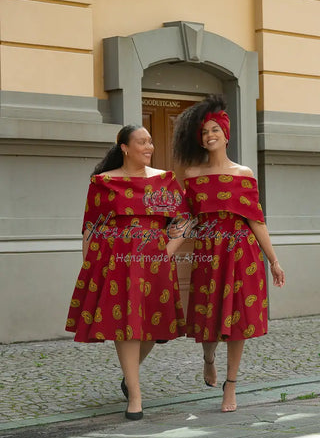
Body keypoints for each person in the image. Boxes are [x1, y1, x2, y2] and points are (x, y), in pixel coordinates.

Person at [66, 124, 188, 420]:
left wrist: (166, 252)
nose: (149, 147)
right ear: (124, 147)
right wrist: (88, 267)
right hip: (116, 261)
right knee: (127, 326)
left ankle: (128, 376)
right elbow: (90, 227)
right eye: (142, 142)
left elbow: (184, 220)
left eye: (150, 142)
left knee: (154, 330)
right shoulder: (103, 182)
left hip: (155, 261)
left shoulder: (165, 180)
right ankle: (135, 395)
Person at [173, 94, 285, 413]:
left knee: (237, 322)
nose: (210, 136)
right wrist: (160, 251)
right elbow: (184, 220)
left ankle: (230, 386)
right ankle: (209, 359)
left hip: (242, 254)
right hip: (209, 252)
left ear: (226, 134)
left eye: (214, 130)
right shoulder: (192, 175)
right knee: (210, 320)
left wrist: (274, 261)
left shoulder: (243, 173)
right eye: (205, 132)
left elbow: (256, 220)